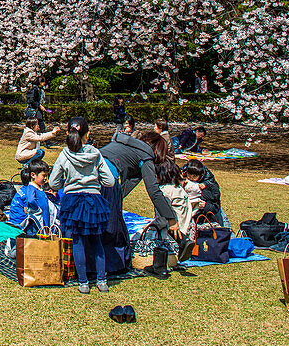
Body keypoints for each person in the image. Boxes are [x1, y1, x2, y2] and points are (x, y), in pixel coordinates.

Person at [98, 129, 193, 277]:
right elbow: (154, 191)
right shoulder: (145, 154)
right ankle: (113, 266)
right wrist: (171, 218)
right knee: (113, 227)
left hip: (88, 174)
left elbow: (126, 185)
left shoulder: (122, 143)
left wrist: (117, 200)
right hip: (107, 178)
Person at [49, 117, 116, 293]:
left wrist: (67, 181)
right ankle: (102, 280)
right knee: (96, 240)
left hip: (73, 201)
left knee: (77, 241)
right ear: (87, 134)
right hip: (93, 200)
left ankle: (83, 282)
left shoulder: (65, 154)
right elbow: (110, 181)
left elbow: (53, 182)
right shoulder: (95, 153)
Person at [7, 160, 55, 234]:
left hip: (44, 217)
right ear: (33, 175)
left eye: (46, 176)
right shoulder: (31, 188)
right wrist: (37, 210)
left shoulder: (39, 188)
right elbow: (31, 200)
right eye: (43, 176)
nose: (45, 178)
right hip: (36, 219)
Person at [183, 159, 222, 224]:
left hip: (202, 216)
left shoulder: (210, 184)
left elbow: (216, 205)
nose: (191, 178)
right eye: (189, 175)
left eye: (195, 176)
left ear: (201, 174)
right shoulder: (182, 175)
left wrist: (206, 206)